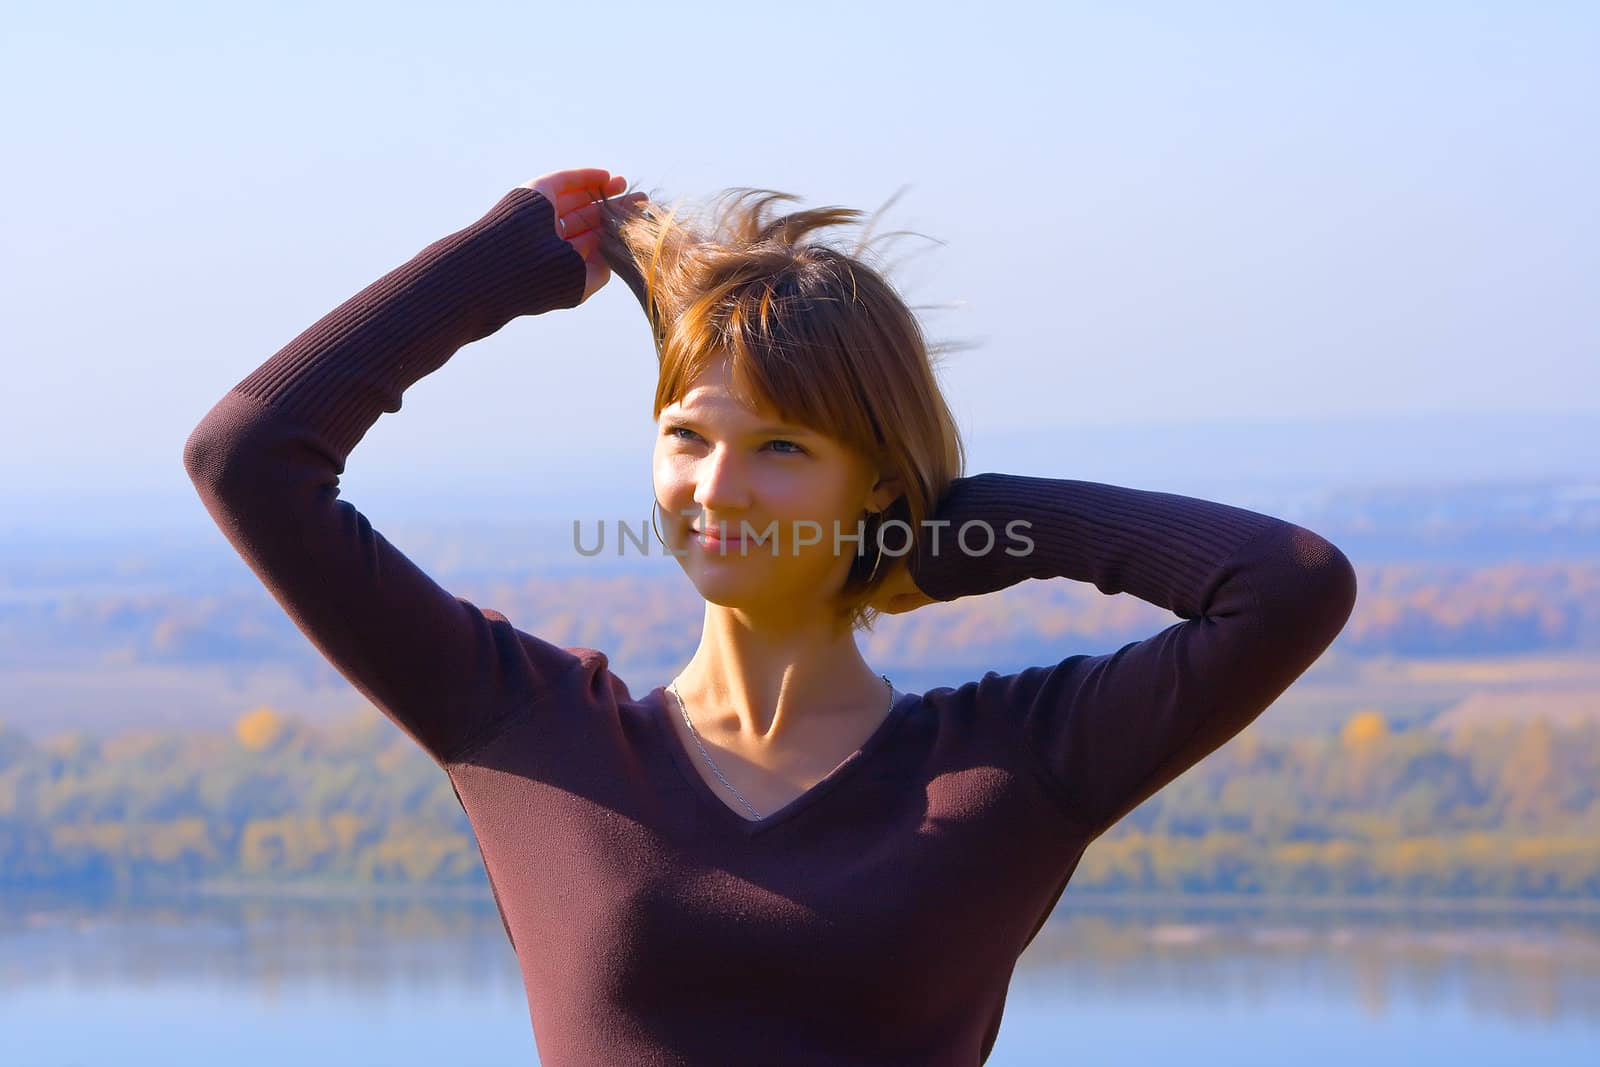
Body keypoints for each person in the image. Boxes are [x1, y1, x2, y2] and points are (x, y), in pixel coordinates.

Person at [183, 166, 1358, 1065]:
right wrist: (492, 269)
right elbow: (248, 458)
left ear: (879, 480)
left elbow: (1285, 581)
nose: (717, 486)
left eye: (782, 447)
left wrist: (961, 529)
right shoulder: (523, 730)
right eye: (687, 435)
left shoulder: (1011, 767)